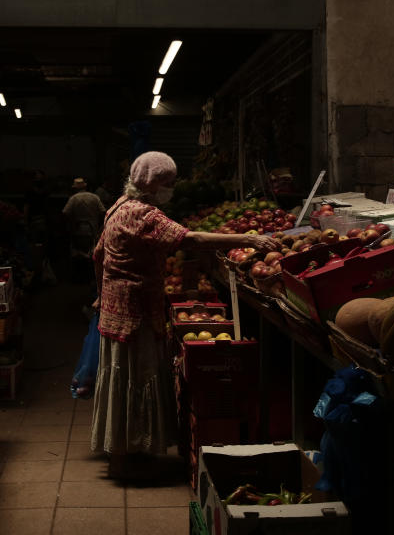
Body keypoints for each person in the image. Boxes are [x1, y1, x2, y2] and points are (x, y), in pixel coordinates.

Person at [90, 151, 279, 478]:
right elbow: (191, 238)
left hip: (114, 307)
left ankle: (125, 454)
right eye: (169, 182)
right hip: (135, 311)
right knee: (137, 375)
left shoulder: (117, 206)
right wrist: (246, 238)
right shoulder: (142, 214)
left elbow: (97, 253)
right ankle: (126, 458)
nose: (172, 188)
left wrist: (101, 293)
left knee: (120, 377)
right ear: (152, 182)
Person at [62, 178, 106, 276]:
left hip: (77, 230)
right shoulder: (94, 197)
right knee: (92, 253)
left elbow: (65, 213)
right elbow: (103, 212)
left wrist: (70, 224)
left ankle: (78, 275)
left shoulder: (73, 198)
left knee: (76, 253)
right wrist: (100, 226)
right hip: (92, 230)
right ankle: (90, 275)